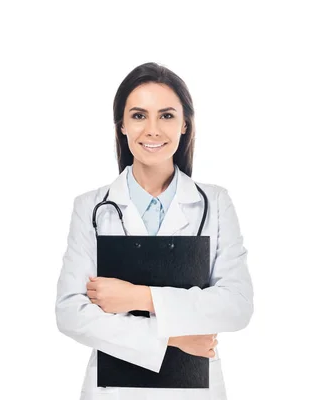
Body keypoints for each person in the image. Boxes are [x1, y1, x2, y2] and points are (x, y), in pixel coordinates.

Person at [55, 62, 254, 400]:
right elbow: (71, 313)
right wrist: (173, 338)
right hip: (113, 390)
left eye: (166, 115)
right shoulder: (90, 206)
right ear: (121, 126)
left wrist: (138, 297)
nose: (152, 129)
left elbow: (236, 306)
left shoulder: (216, 202)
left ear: (184, 125)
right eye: (138, 115)